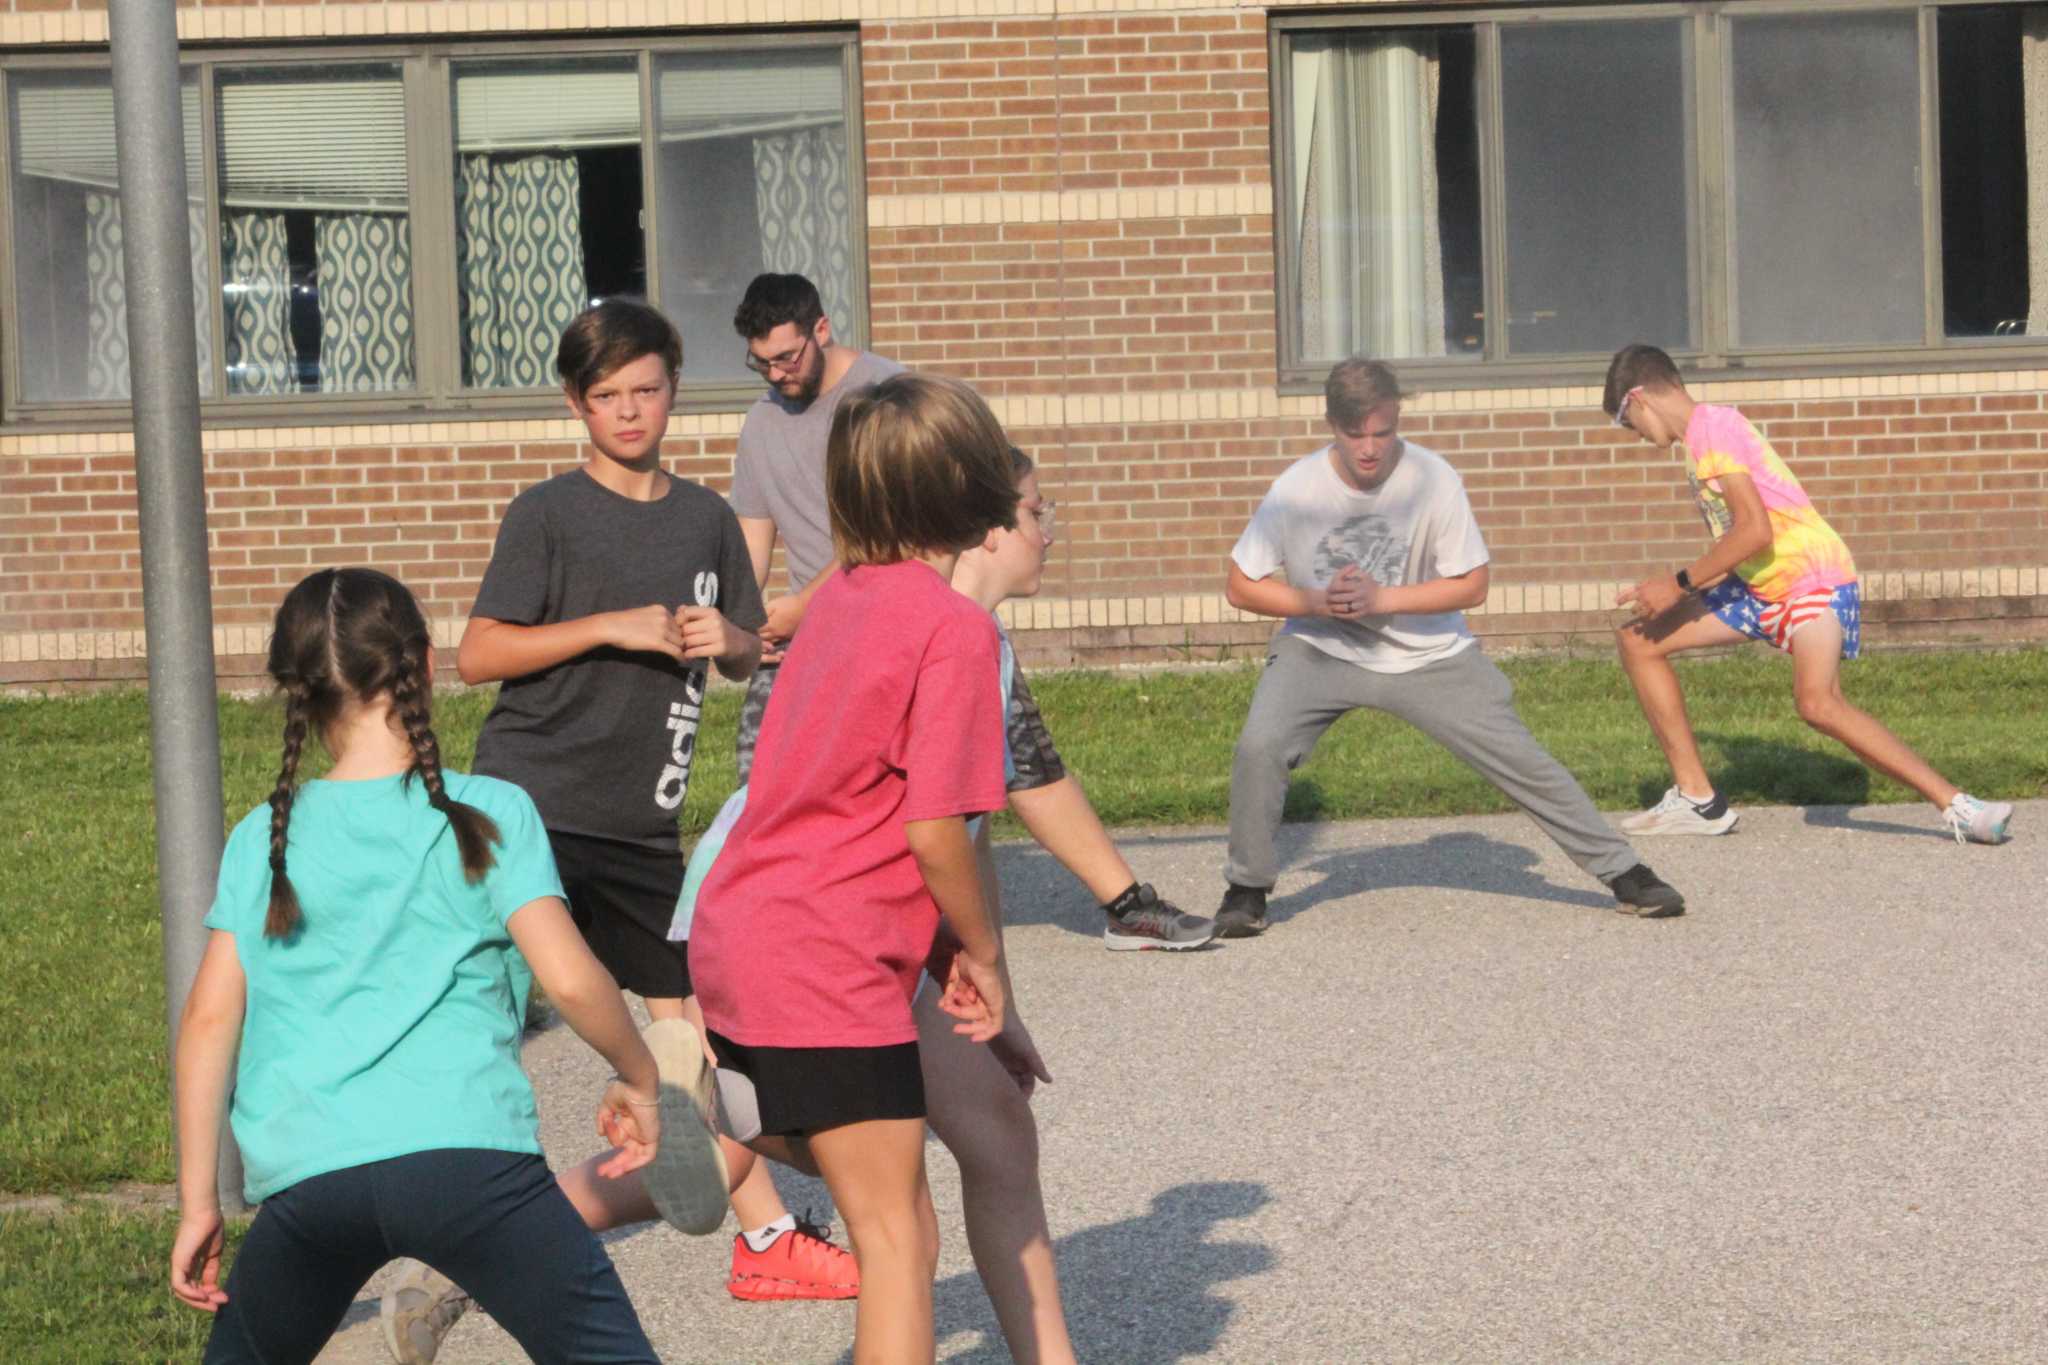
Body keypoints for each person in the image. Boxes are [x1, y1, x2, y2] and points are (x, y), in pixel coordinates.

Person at [169, 568, 726, 1365]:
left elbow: (207, 1022)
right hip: (470, 1166)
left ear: (295, 692)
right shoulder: (491, 813)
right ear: (425, 666)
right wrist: (642, 1078)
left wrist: (197, 1201)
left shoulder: (265, 836)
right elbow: (570, 979)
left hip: (310, 1184)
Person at [690, 372, 1020, 1365]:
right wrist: (984, 952)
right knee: (894, 1240)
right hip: (823, 959)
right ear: (969, 486)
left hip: (740, 935)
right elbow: (934, 832)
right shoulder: (951, 628)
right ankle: (557, 1182)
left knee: (873, 1207)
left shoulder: (834, 602)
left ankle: (610, 1154)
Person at [729, 272, 1198, 950]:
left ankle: (1122, 906)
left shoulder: (887, 398)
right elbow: (752, 535)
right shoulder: (762, 420)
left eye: (786, 356)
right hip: (822, 631)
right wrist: (752, 621)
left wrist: (805, 603)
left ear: (821, 328)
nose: (775, 374)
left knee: (1013, 766)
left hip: (910, 615)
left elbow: (892, 525)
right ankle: (771, 928)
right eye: (761, 362)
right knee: (766, 780)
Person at [1216, 358, 1687, 937]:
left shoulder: (1432, 479)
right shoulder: (1296, 487)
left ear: (1397, 422)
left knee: (1522, 759)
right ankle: (1246, 890)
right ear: (1331, 426)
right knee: (1258, 745)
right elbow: (1241, 586)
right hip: (1321, 648)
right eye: (1354, 434)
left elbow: (1473, 584)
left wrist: (1381, 600)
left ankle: (1625, 874)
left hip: (1428, 655)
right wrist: (1318, 604)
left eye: (1382, 433)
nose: (1369, 448)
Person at [1601, 343, 2015, 845]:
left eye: (1627, 421)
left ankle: (1960, 807)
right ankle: (1697, 801)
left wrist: (1679, 584)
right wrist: (1682, 592)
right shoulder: (1699, 441)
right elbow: (1744, 542)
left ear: (1640, 397)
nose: (1636, 436)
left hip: (1811, 580)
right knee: (1638, 641)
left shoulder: (1715, 429)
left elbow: (1754, 531)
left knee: (1818, 703)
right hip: (1761, 587)